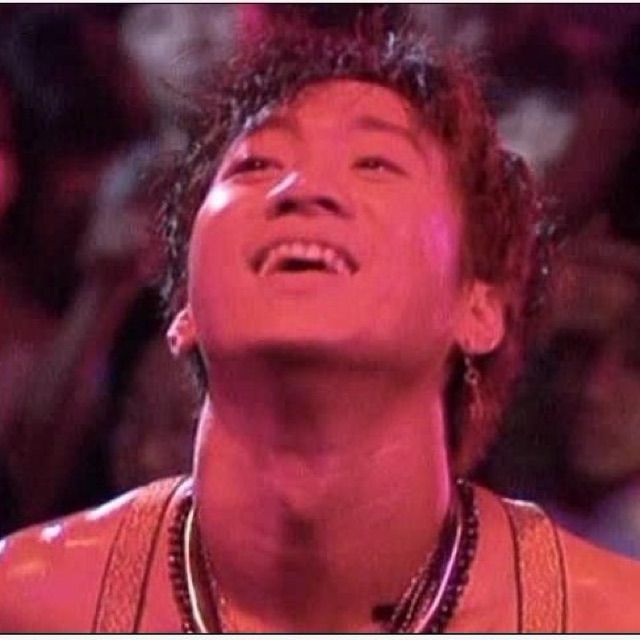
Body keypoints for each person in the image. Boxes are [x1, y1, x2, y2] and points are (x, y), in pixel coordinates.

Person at [1, 22, 640, 633]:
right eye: (256, 164)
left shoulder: (608, 620)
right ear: (183, 308)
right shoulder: (27, 604)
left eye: (375, 164)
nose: (302, 187)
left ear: (479, 306)